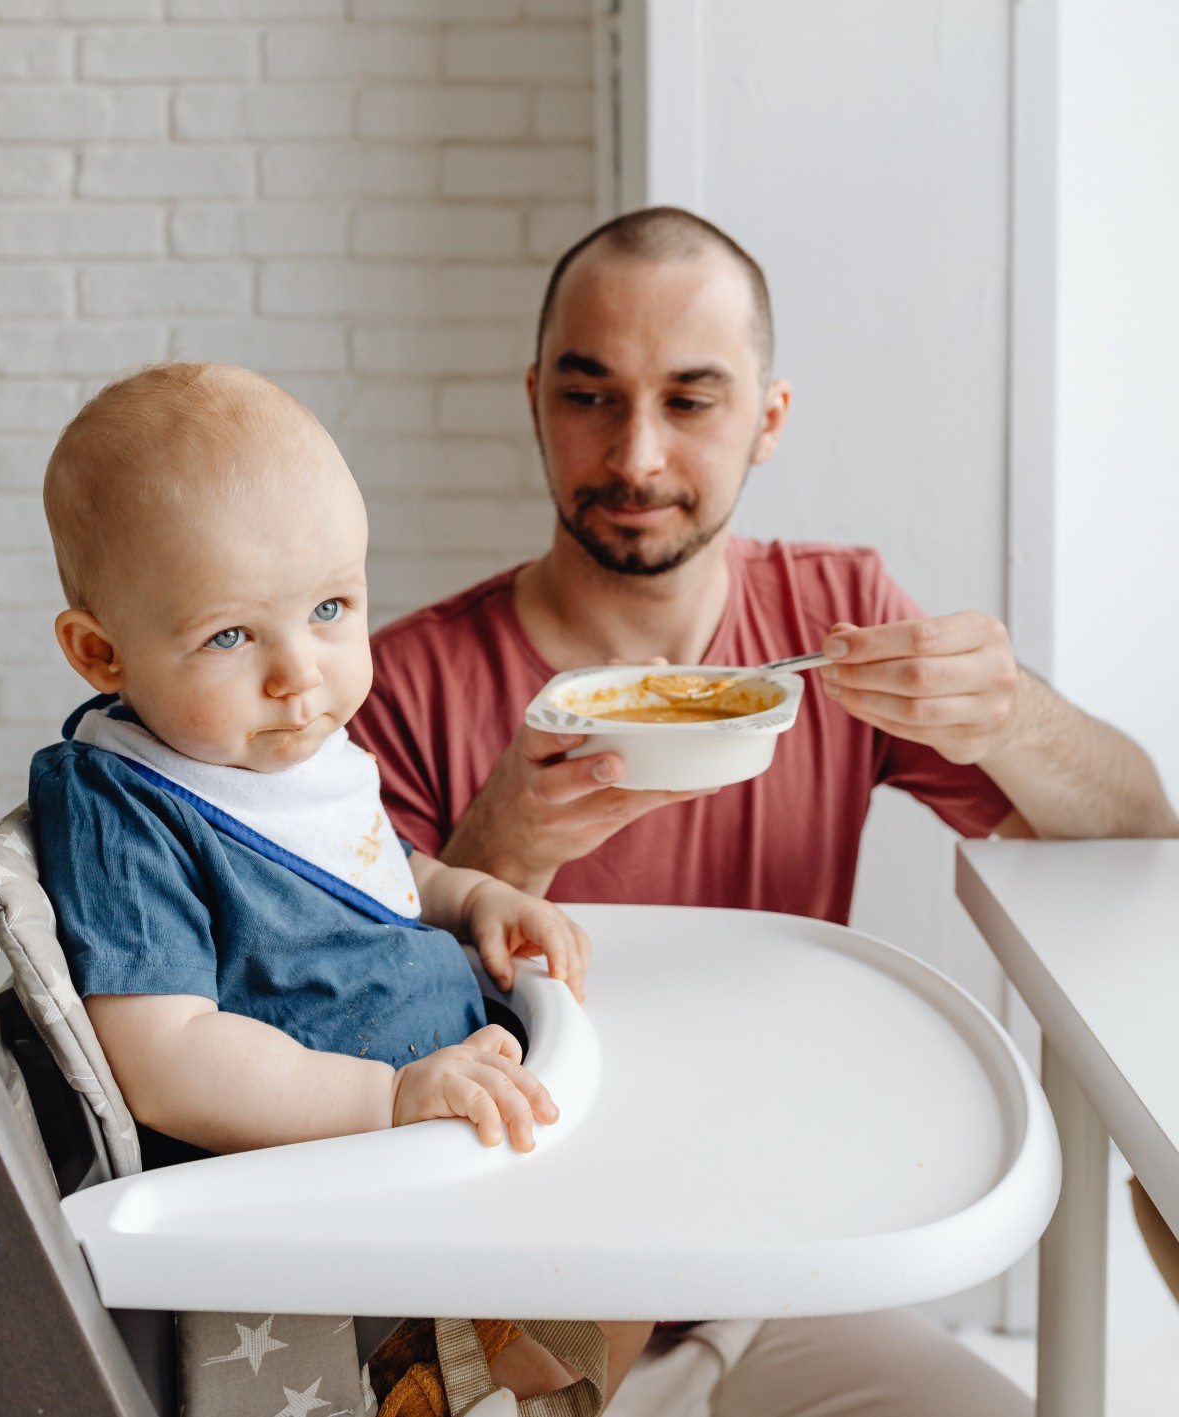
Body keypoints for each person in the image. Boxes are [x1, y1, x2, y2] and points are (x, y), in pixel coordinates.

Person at [350, 208, 1179, 1415]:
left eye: (690, 401)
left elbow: (1134, 828)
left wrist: (1009, 715)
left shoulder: (834, 620)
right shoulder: (404, 683)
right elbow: (331, 1036)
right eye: (591, 396)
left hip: (773, 1284)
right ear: (535, 399)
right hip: (499, 1301)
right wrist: (501, 849)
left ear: (767, 418)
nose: (634, 456)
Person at [28, 362, 651, 1408]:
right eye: (230, 635)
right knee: (578, 1314)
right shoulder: (127, 801)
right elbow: (168, 1059)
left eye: (329, 607)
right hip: (338, 1210)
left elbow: (359, 866)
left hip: (452, 1140)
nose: (298, 671)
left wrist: (462, 896)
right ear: (101, 652)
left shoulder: (276, 744)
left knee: (631, 1272)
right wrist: (391, 1097)